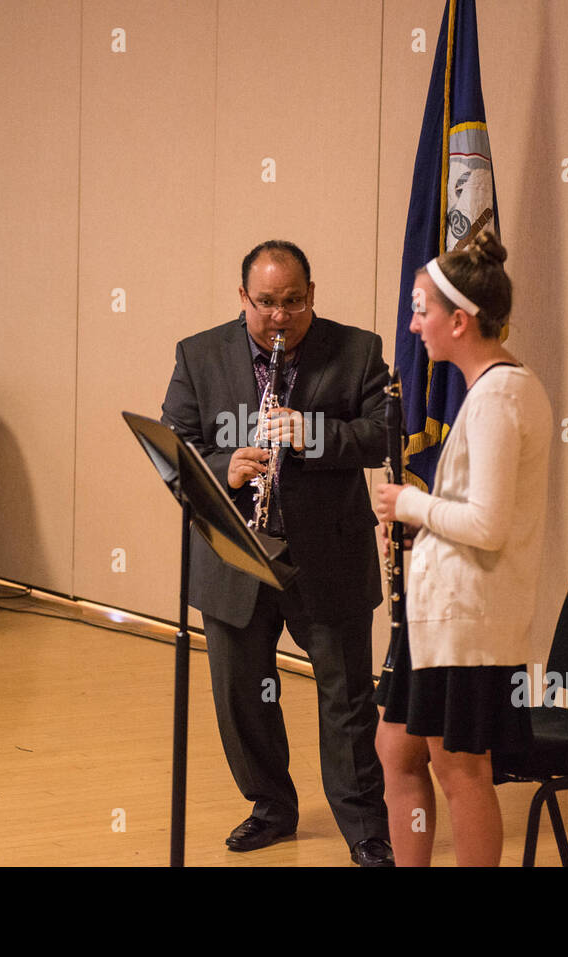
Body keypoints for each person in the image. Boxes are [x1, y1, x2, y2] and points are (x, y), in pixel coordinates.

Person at [162, 240, 394, 866]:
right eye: (265, 303)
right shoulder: (198, 355)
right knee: (243, 695)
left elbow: (383, 435)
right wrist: (223, 467)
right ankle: (272, 808)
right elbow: (174, 451)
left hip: (328, 558)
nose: (279, 317)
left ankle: (366, 829)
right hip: (236, 555)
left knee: (345, 702)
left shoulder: (358, 350)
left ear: (312, 295)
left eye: (293, 302)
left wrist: (313, 433)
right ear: (243, 298)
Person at [373, 230, 552, 866]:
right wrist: (419, 527)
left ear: (460, 319)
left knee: (461, 771)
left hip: (469, 624)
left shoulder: (501, 395)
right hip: (438, 618)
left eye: (424, 309)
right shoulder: (486, 392)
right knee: (396, 751)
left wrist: (409, 505)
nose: (415, 323)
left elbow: (489, 524)